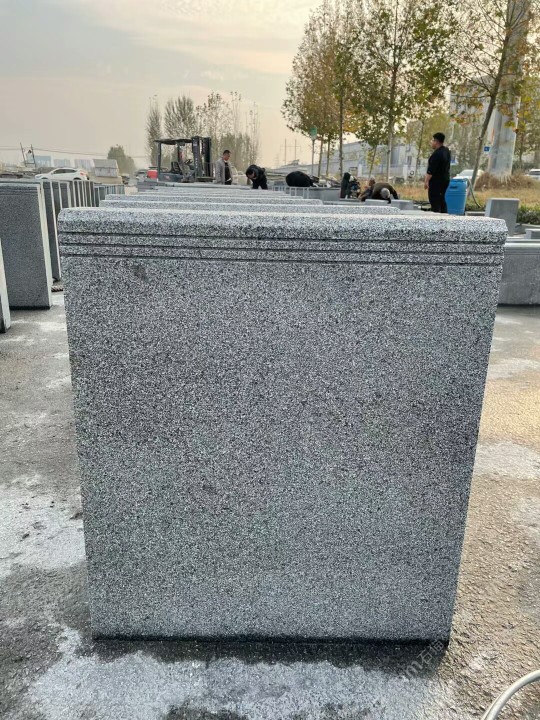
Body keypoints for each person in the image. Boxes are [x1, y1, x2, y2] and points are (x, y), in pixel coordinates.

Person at [425, 132, 451, 213]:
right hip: (445, 180)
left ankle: (436, 216)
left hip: (437, 181)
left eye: (432, 140)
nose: (431, 142)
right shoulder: (446, 151)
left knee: (435, 200)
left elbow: (431, 170)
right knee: (441, 199)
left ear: (436, 141)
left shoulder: (437, 154)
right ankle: (444, 216)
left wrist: (426, 181)